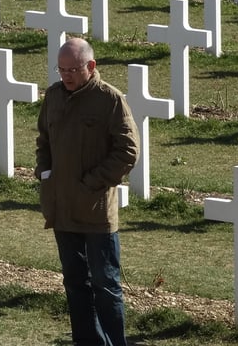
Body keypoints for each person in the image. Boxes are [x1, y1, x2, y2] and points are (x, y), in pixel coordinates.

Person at [35, 37, 139, 346]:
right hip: (62, 208)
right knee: (74, 283)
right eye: (61, 69)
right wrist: (45, 172)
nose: (65, 76)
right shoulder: (53, 96)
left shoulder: (110, 100)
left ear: (91, 67)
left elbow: (128, 151)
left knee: (105, 284)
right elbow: (44, 140)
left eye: (72, 69)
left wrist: (92, 182)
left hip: (95, 212)